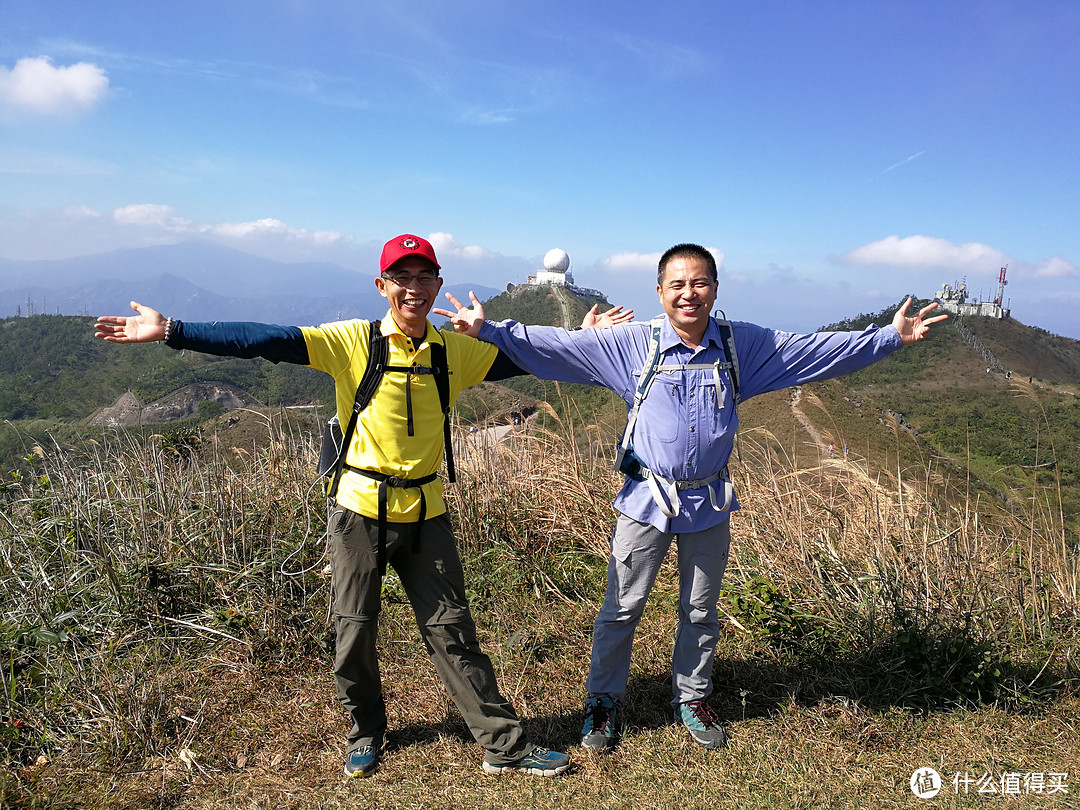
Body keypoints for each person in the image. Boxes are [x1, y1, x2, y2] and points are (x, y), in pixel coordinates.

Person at [93, 233, 631, 779]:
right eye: (402, 278)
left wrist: (580, 339)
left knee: (453, 631)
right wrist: (172, 331)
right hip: (359, 511)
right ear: (382, 286)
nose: (413, 289)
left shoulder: (453, 351)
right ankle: (366, 730)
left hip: (427, 511)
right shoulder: (353, 341)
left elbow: (521, 361)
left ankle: (503, 744)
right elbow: (267, 339)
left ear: (438, 285)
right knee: (354, 631)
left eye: (424, 277)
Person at [436, 242, 947, 754]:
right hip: (645, 499)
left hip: (708, 502)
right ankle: (604, 699)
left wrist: (888, 339)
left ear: (715, 290)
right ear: (660, 292)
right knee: (622, 606)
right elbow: (558, 347)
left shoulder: (739, 346)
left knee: (700, 609)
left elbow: (813, 352)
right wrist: (490, 331)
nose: (689, 294)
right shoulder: (632, 344)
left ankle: (693, 696)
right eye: (677, 285)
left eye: (699, 283)